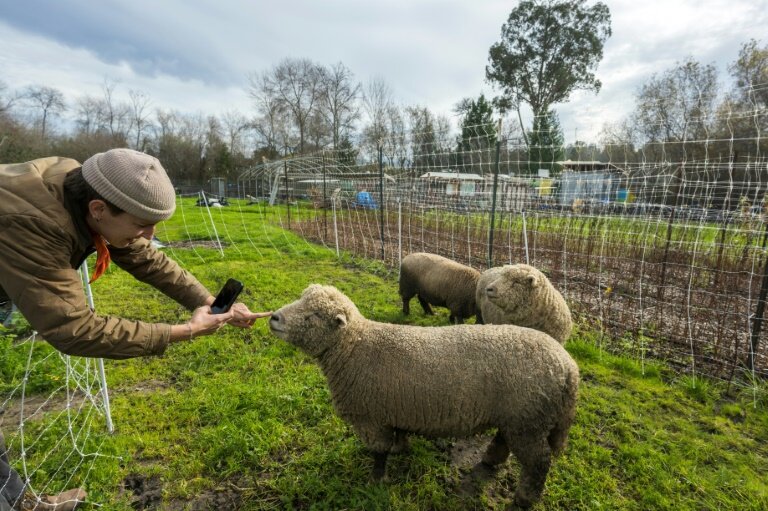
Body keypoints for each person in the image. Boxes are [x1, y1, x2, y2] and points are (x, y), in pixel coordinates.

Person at [0, 149, 272, 509]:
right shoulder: (33, 221)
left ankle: (15, 500)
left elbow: (146, 258)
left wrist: (207, 302)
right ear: (98, 209)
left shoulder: (87, 186)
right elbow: (74, 327)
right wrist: (184, 332)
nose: (151, 234)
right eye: (143, 224)